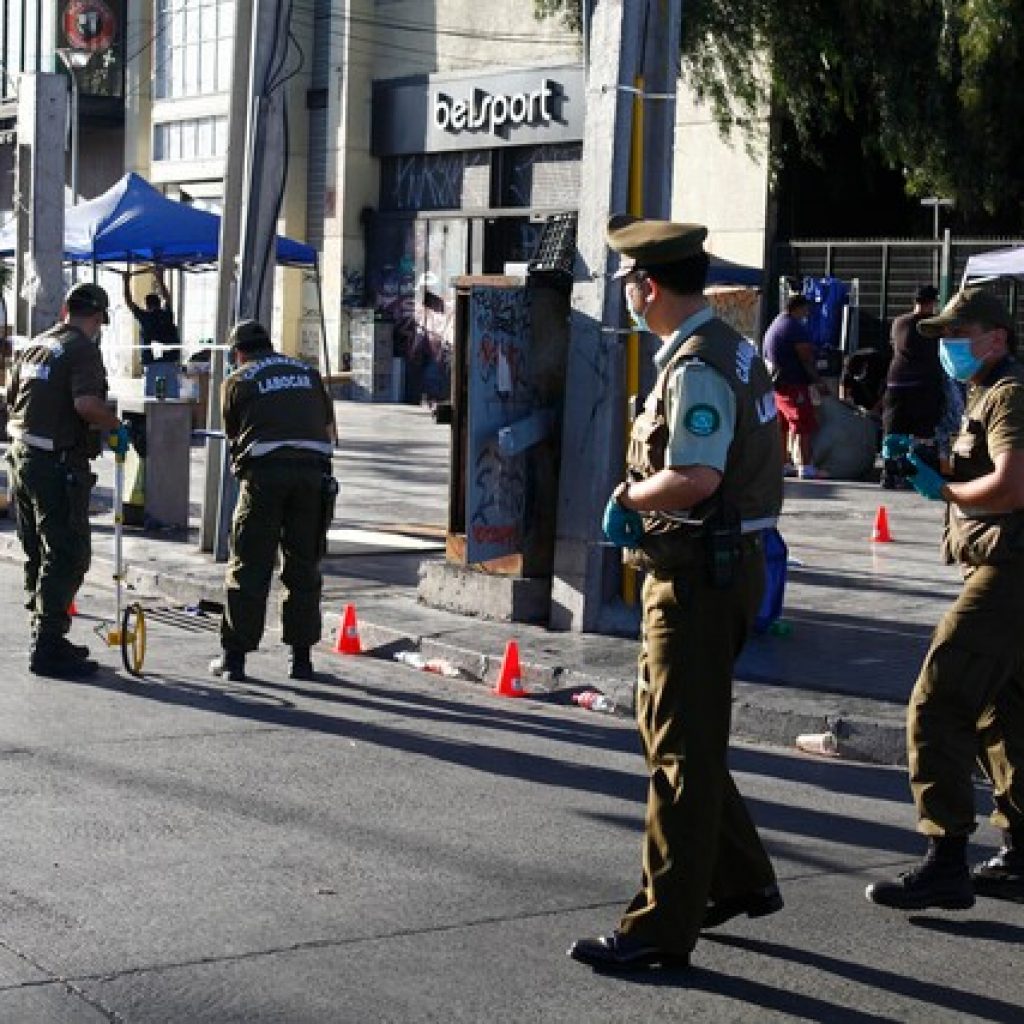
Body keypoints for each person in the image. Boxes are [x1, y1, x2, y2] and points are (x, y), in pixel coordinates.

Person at [568, 217, 784, 972]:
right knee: (675, 732)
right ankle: (739, 877)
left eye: (629, 282)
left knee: (680, 753)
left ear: (648, 285)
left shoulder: (696, 364)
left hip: (696, 573)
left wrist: (629, 495)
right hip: (718, 566)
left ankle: (660, 927)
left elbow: (696, 478)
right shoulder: (730, 347)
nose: (627, 294)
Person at [867, 287, 1024, 911]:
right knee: (1004, 713)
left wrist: (947, 493)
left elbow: (1011, 487)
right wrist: (932, 466)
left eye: (960, 335)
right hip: (1005, 567)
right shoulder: (986, 392)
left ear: (997, 337)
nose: (948, 346)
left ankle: (945, 859)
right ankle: (1019, 851)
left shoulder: (1008, 393)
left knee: (937, 701)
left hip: (1009, 571)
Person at [4, 283, 129, 679]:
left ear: (65, 309)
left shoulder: (35, 345)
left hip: (21, 457)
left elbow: (11, 399)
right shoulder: (81, 349)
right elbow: (86, 405)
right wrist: (117, 425)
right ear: (96, 319)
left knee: (38, 551)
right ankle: (47, 644)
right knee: (69, 553)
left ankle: (45, 634)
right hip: (54, 466)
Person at [209, 320, 337, 683]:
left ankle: (234, 660)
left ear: (239, 353)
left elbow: (233, 434)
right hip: (314, 475)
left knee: (249, 565)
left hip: (266, 476)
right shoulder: (307, 373)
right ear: (270, 343)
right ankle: (302, 661)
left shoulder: (238, 380)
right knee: (304, 565)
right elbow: (326, 425)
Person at [880, 284, 943, 488]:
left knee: (894, 430)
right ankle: (917, 475)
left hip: (896, 382)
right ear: (932, 302)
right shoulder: (931, 326)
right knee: (922, 432)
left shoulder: (899, 322)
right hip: (922, 384)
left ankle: (890, 472)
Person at [762, 293, 828, 479]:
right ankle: (806, 466)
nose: (808, 312)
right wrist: (818, 381)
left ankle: (783, 463)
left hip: (777, 384)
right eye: (806, 308)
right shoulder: (794, 327)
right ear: (797, 308)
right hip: (793, 384)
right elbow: (806, 358)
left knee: (781, 425)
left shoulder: (775, 324)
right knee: (802, 424)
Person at [122, 267, 181, 368]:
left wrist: (126, 282)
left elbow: (128, 301)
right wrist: (160, 278)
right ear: (159, 303)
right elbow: (167, 297)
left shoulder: (145, 317)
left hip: (151, 362)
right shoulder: (166, 314)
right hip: (170, 360)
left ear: (147, 305)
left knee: (154, 383)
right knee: (169, 383)